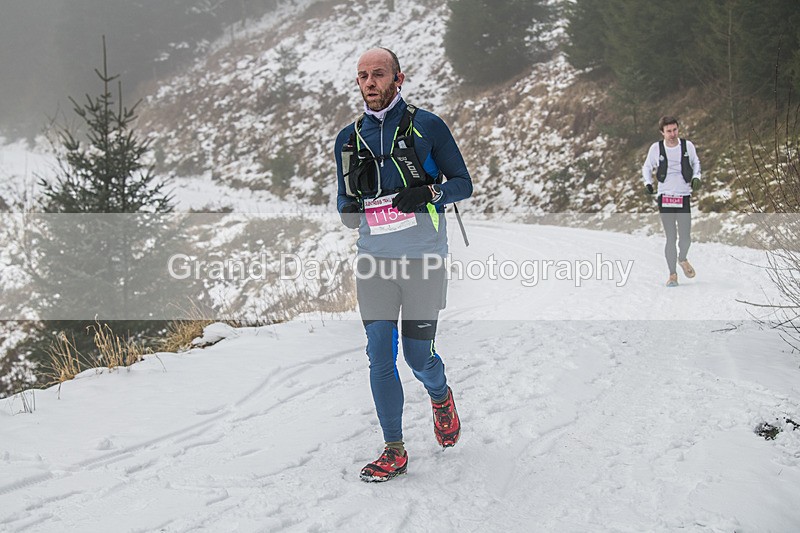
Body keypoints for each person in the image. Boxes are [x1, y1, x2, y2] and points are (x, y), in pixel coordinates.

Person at [334, 47, 473, 482]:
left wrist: (429, 194)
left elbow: (462, 184)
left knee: (416, 356)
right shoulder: (348, 138)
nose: (370, 83)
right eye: (362, 76)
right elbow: (343, 205)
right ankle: (394, 447)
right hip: (374, 260)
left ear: (399, 78)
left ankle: (440, 394)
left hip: (423, 259)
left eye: (378, 74)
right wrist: (351, 209)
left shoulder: (427, 125)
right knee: (379, 353)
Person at [642, 116, 702, 287]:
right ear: (662, 132)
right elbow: (647, 167)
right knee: (671, 237)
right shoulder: (656, 148)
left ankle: (682, 259)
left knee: (685, 237)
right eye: (668, 131)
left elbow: (696, 163)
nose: (672, 134)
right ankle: (672, 275)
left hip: (683, 195)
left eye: (675, 130)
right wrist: (648, 183)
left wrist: (697, 177)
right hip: (665, 196)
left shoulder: (687, 146)